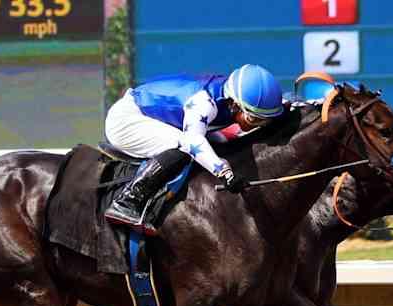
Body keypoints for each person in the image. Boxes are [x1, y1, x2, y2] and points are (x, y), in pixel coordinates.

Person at [103, 64, 285, 228]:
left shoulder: (230, 95)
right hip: (126, 121)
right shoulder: (203, 103)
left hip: (154, 117)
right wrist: (225, 173)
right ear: (235, 105)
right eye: (255, 119)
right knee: (185, 145)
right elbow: (193, 142)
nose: (258, 125)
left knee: (221, 140)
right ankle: (127, 202)